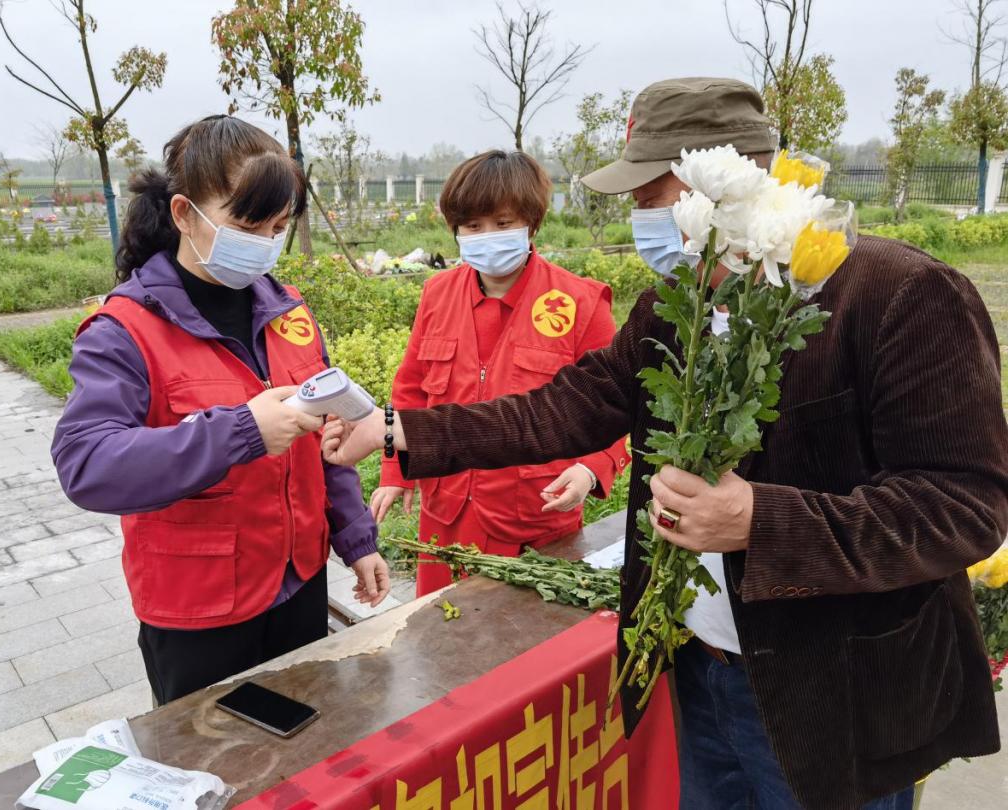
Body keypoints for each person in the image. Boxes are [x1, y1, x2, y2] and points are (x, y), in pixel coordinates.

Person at [321, 79, 1008, 810]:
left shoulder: (898, 294)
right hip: (695, 668)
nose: (645, 219)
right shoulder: (677, 303)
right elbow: (565, 409)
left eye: (654, 197)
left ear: (732, 183)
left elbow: (964, 505)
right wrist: (397, 430)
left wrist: (761, 521)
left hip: (830, 696)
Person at [52, 115, 389, 705]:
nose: (264, 241)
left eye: (279, 226)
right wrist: (241, 431)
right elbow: (86, 463)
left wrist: (356, 538)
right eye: (247, 223)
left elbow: (327, 437)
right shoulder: (125, 330)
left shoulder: (289, 313)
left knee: (306, 749)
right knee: (214, 770)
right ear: (184, 214)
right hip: (199, 608)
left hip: (298, 585)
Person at [371, 150, 629, 596]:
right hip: (446, 517)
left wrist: (590, 470)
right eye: (473, 226)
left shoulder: (580, 304)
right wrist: (395, 470)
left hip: (534, 521)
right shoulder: (437, 294)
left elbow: (618, 407)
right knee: (440, 639)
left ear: (531, 222)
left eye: (504, 222)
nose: (488, 236)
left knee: (527, 651)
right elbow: (410, 389)